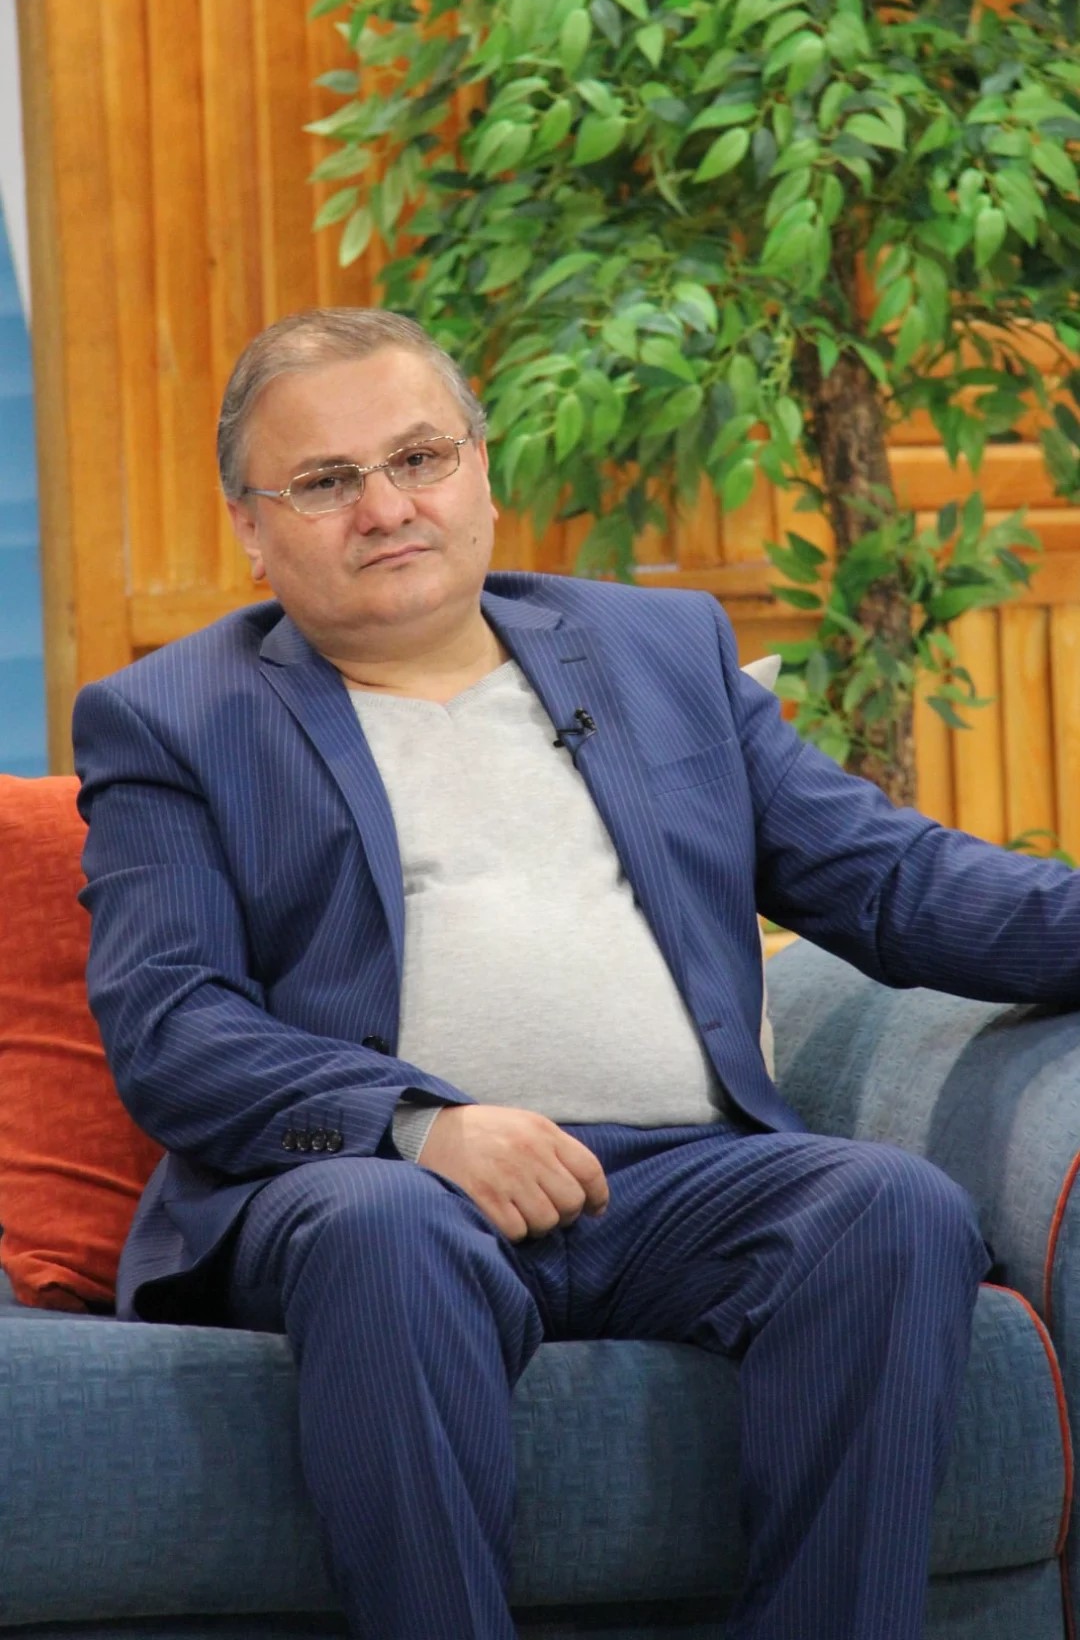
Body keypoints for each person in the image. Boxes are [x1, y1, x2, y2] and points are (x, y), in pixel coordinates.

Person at [73, 306, 1080, 1640]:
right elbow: (173, 1025)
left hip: (674, 1184)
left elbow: (894, 883)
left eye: (419, 457)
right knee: (386, 1235)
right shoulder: (172, 719)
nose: (387, 507)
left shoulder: (657, 652)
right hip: (376, 1188)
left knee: (887, 1208)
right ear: (250, 527)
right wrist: (421, 1127)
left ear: (481, 469)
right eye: (324, 481)